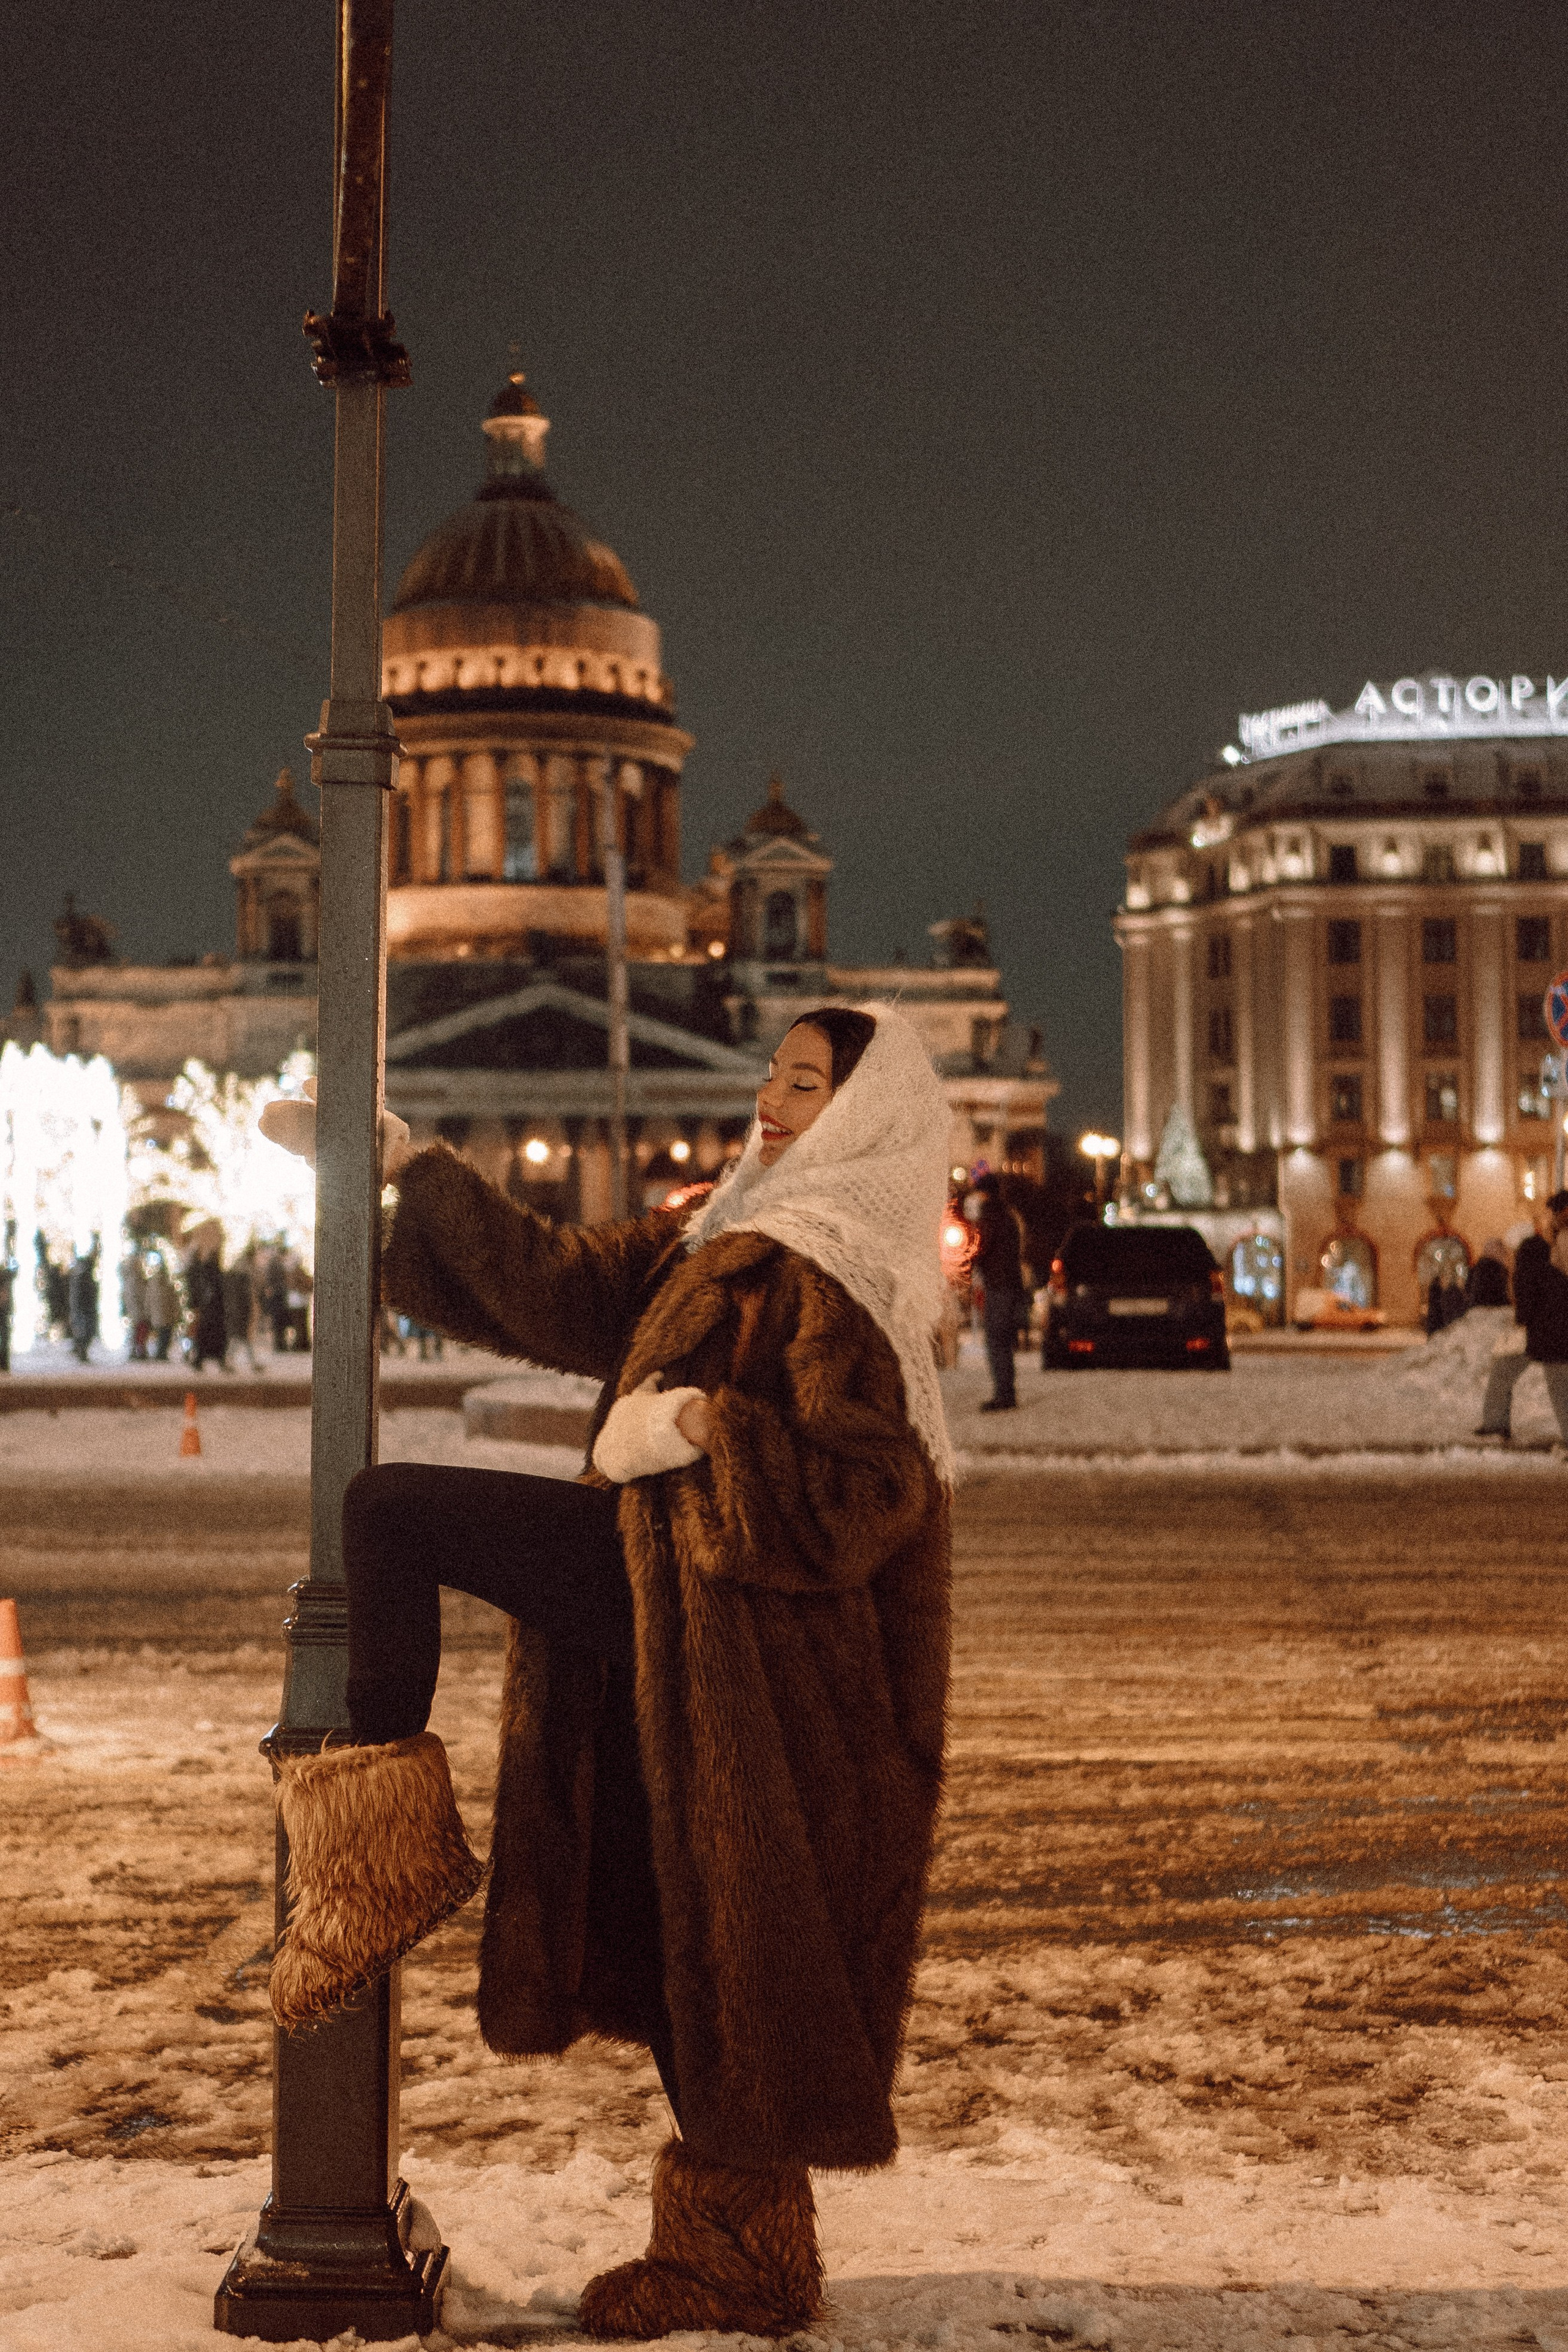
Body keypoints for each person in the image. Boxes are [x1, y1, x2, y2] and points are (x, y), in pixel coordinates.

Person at [259, 1005, 953, 2340]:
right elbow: (559, 1285)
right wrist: (406, 1167)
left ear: (864, 1114)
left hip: (753, 1655)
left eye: (803, 1084)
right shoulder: (729, 1230)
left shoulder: (841, 1269)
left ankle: (370, 1858)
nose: (768, 1097)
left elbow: (867, 1496)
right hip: (679, 1618)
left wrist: (695, 1429)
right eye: (770, 1071)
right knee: (682, 1932)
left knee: (395, 1512)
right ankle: (733, 2258)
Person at [1476, 1195, 1568, 1441]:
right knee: (1506, 1372)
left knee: (1559, 1389)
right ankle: (1495, 1423)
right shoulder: (1548, 1260)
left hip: (1551, 1337)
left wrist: (1524, 1318)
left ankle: (1495, 1423)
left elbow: (1527, 1301)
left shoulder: (1537, 1260)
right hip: (1547, 1334)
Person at [968, 1171, 1023, 1411]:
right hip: (1009, 1283)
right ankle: (1006, 1392)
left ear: (984, 1193)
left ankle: (1004, 1395)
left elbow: (982, 1248)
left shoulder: (991, 1215)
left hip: (998, 1285)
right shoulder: (1008, 1215)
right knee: (1003, 1340)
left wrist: (967, 1263)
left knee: (996, 1340)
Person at [145, 1248, 177, 1362]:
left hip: (158, 1314)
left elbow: (148, 1299)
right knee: (165, 1334)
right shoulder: (167, 1283)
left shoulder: (152, 1283)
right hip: (166, 1313)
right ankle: (162, 1353)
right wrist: (176, 1312)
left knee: (162, 1334)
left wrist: (148, 1311)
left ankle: (160, 1352)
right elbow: (174, 1299)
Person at [1465, 1238, 1512, 1311]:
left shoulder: (1472, 1271)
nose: (1505, 1256)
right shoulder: (1500, 1272)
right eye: (1503, 1252)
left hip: (1474, 1313)